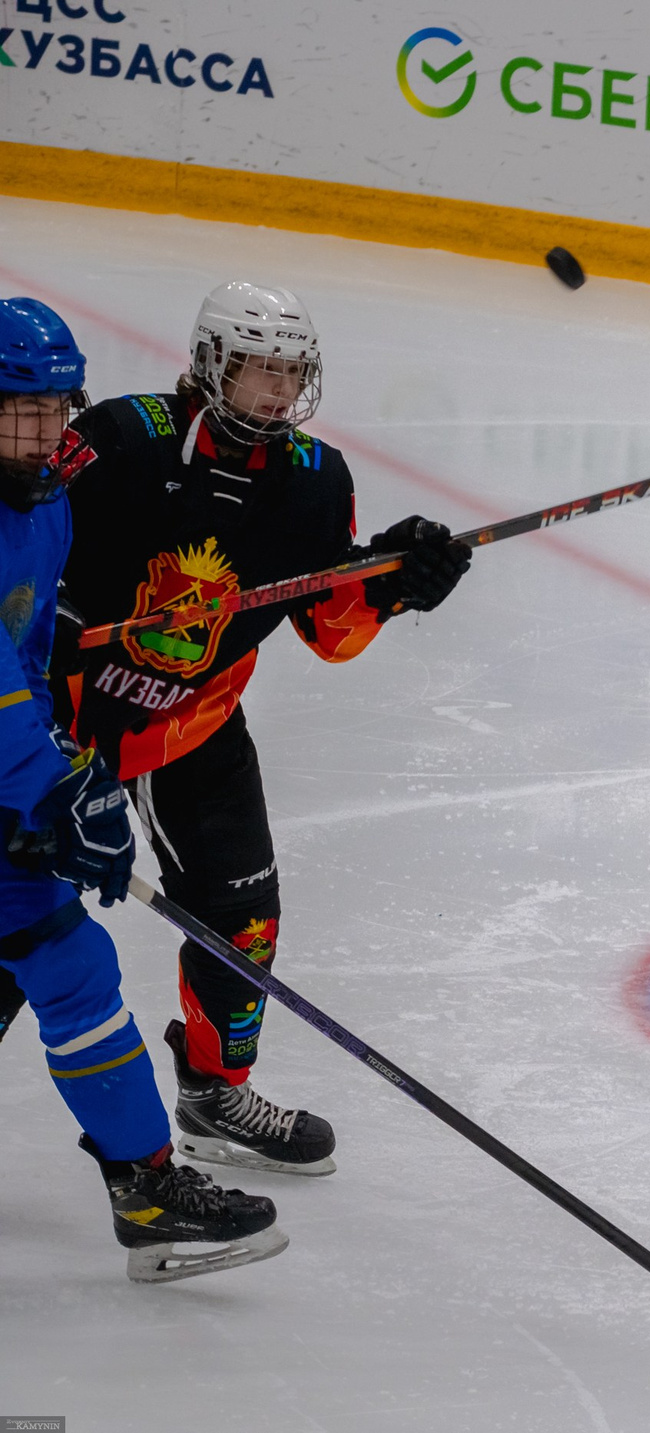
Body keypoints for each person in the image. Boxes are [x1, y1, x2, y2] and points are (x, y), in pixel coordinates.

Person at [47, 281, 472, 1176]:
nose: (279, 391)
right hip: (66, 719)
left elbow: (329, 629)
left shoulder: (317, 482)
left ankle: (213, 1092)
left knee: (242, 917)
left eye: (292, 372)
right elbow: (27, 556)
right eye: (259, 370)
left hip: (193, 723)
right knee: (24, 919)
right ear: (212, 365)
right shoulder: (120, 439)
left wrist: (391, 582)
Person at [0, 295, 285, 1281]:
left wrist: (59, 770)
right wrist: (52, 790)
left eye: (57, 407)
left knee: (66, 962)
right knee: (61, 959)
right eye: (21, 409)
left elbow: (28, 659)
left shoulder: (45, 501)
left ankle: (149, 1186)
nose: (45, 430)